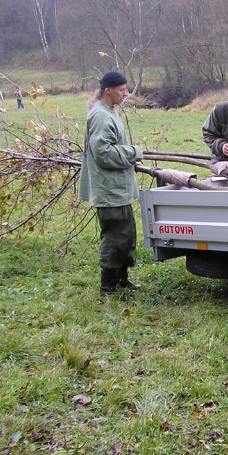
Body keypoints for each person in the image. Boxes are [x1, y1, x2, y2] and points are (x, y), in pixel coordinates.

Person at [78, 71, 144, 295]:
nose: (125, 94)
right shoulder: (101, 116)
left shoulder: (108, 112)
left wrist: (129, 155)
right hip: (109, 190)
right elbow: (103, 152)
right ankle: (108, 285)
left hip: (118, 189)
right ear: (108, 90)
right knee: (115, 237)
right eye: (121, 90)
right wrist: (132, 152)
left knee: (126, 236)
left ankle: (121, 280)